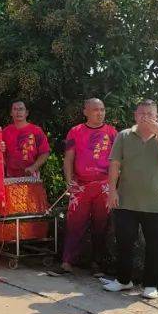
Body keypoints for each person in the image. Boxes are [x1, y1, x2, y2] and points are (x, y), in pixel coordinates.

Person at [103, 100, 158, 300]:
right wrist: (112, 191)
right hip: (126, 199)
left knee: (154, 245)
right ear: (135, 116)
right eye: (142, 113)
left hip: (155, 202)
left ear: (156, 117)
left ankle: (151, 285)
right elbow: (114, 165)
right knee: (124, 242)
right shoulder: (124, 136)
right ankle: (123, 280)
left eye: (150, 113)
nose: (145, 117)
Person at [61, 98, 118, 274]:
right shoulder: (75, 131)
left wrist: (114, 187)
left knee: (101, 225)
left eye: (102, 109)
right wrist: (69, 181)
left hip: (103, 185)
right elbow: (69, 158)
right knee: (74, 224)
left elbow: (117, 162)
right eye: (95, 109)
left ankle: (97, 263)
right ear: (85, 111)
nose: (99, 113)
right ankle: (67, 261)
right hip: (80, 185)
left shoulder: (112, 132)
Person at [1, 100, 50, 178]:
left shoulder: (36, 130)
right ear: (11, 113)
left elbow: (45, 152)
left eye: (21, 109)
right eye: (15, 109)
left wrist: (33, 167)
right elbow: (0, 154)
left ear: (26, 113)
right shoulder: (5, 132)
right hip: (10, 176)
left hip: (31, 174)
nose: (18, 112)